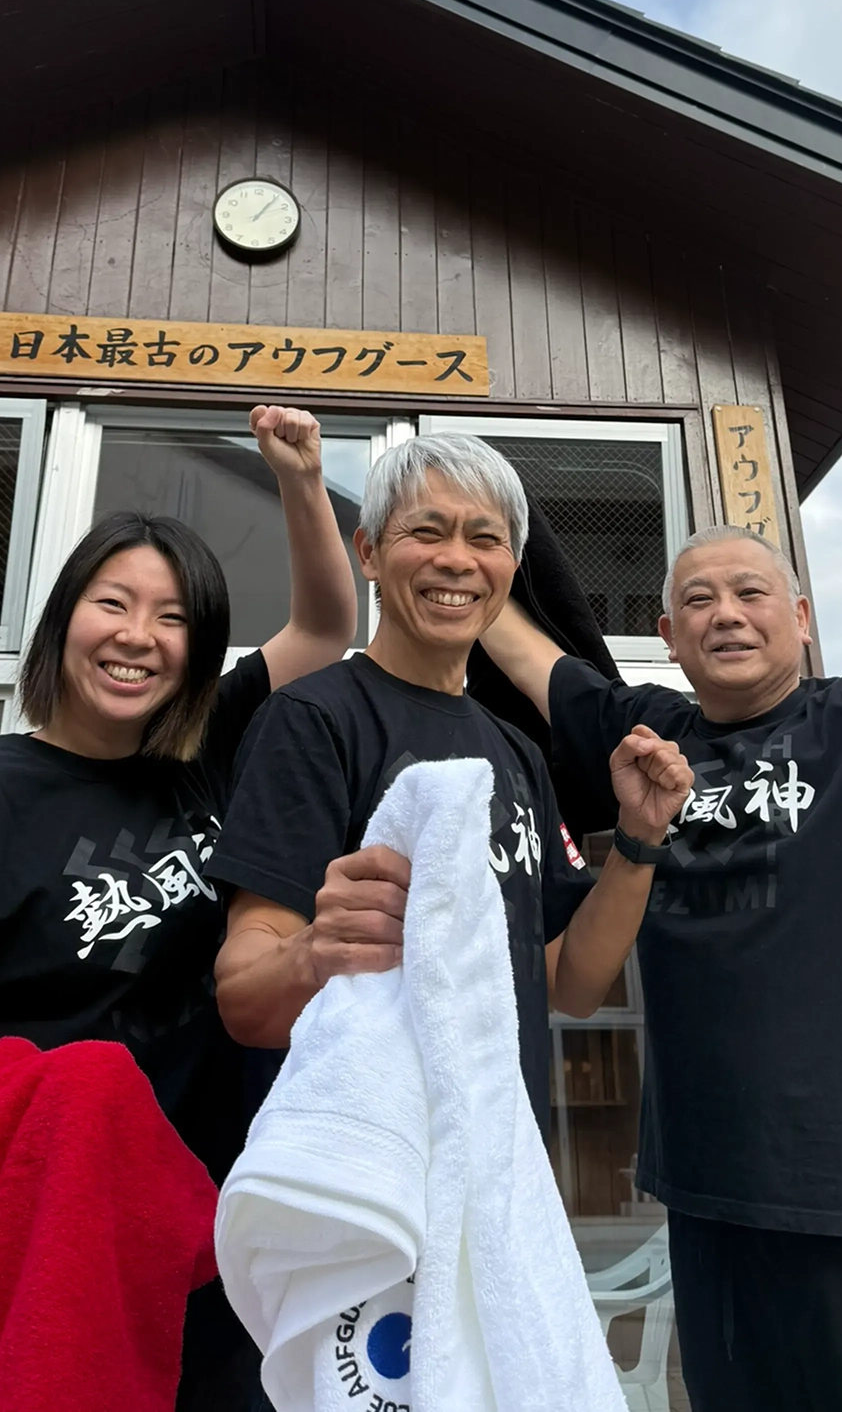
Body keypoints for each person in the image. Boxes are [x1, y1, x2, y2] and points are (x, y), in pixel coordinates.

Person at [0, 403, 358, 1411]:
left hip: (221, 1212)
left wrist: (302, 482)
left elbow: (325, 627)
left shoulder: (206, 756)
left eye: (175, 617)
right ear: (64, 619)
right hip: (63, 1236)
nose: (139, 637)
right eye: (113, 603)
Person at [481, 522, 842, 1412]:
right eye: (698, 601)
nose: (727, 616)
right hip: (712, 1206)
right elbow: (524, 652)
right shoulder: (653, 740)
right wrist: (455, 542)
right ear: (668, 637)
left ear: (803, 617)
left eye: (751, 593)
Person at [209, 433, 693, 1149]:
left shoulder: (519, 753)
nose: (457, 560)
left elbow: (572, 984)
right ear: (369, 551)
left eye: (484, 538)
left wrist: (638, 837)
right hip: (355, 1175)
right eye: (425, 532)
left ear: (510, 566)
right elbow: (245, 1000)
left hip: (496, 1165)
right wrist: (316, 949)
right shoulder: (312, 721)